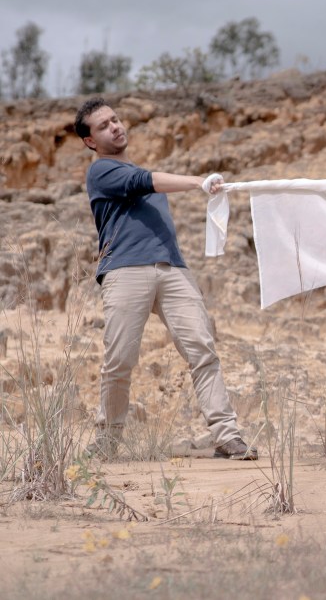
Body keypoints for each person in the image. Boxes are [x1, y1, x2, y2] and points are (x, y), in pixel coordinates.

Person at [75, 97, 257, 460]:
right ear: (90, 141)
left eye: (115, 119)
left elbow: (147, 181)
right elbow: (144, 181)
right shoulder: (102, 172)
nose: (115, 127)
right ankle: (108, 443)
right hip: (125, 270)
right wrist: (199, 182)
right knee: (119, 360)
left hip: (173, 270)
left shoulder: (142, 175)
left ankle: (228, 437)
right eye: (104, 126)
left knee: (202, 350)